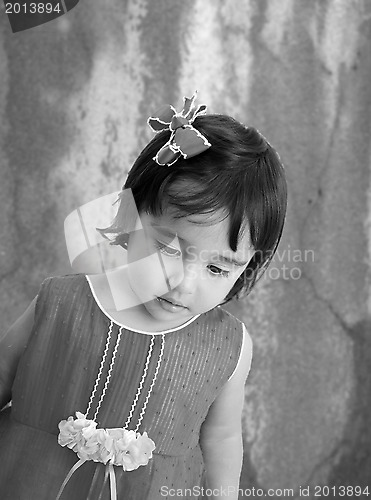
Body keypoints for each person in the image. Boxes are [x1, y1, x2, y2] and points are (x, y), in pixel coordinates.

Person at [0, 93, 287, 499]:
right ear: (129, 217)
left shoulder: (229, 348)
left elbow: (221, 438)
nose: (183, 284)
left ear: (247, 268)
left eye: (217, 268)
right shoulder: (62, 302)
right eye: (167, 248)